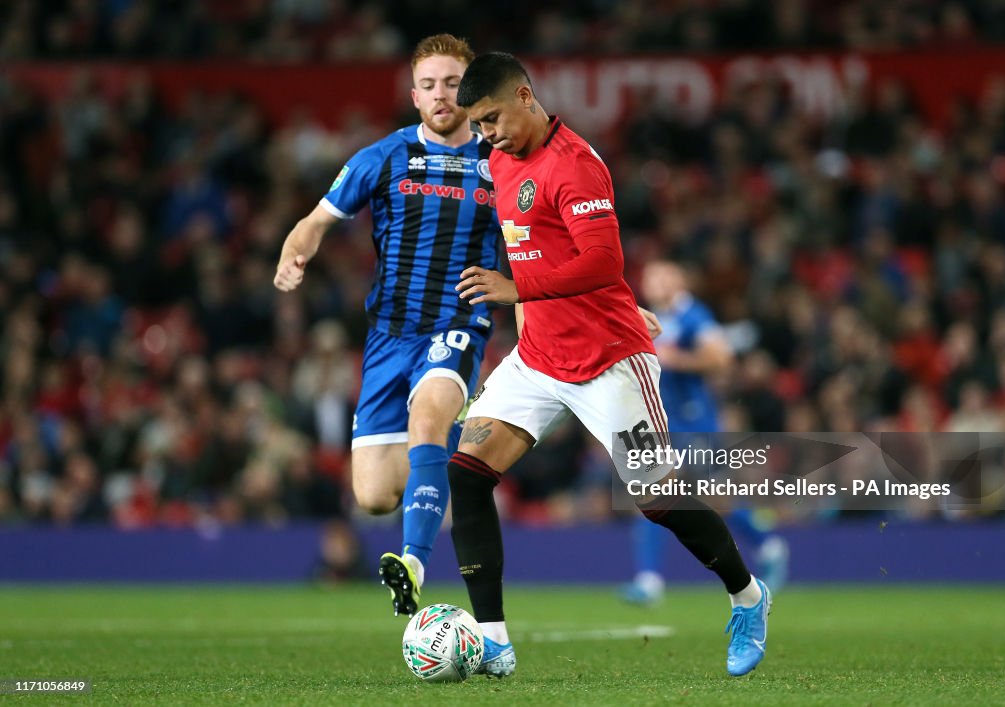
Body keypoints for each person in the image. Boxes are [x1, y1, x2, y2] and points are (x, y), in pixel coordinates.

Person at [448, 52, 771, 678]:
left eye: (490, 119)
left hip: (609, 361)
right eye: (478, 125)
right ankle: (493, 641)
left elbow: (601, 263)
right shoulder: (499, 159)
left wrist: (522, 288)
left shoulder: (576, 164)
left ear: (524, 95)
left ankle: (749, 598)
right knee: (467, 473)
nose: (486, 134)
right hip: (537, 359)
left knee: (656, 497)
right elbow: (542, 244)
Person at [273, 34, 502, 617]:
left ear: (470, 89)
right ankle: (445, 469)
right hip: (387, 336)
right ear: (414, 94)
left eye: (452, 83)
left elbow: (544, 247)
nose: (441, 94)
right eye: (429, 85)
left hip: (457, 321)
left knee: (428, 418)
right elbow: (315, 220)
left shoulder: (500, 163)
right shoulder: (383, 156)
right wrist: (294, 251)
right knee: (374, 495)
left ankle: (414, 561)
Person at [621, 259, 790, 606]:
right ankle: (765, 542)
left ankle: (651, 579)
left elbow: (722, 357)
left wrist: (676, 359)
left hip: (693, 420)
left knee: (673, 491)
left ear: (679, 280)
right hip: (663, 421)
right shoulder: (653, 316)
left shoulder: (692, 315)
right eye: (651, 276)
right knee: (668, 491)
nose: (654, 281)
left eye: (663, 274)